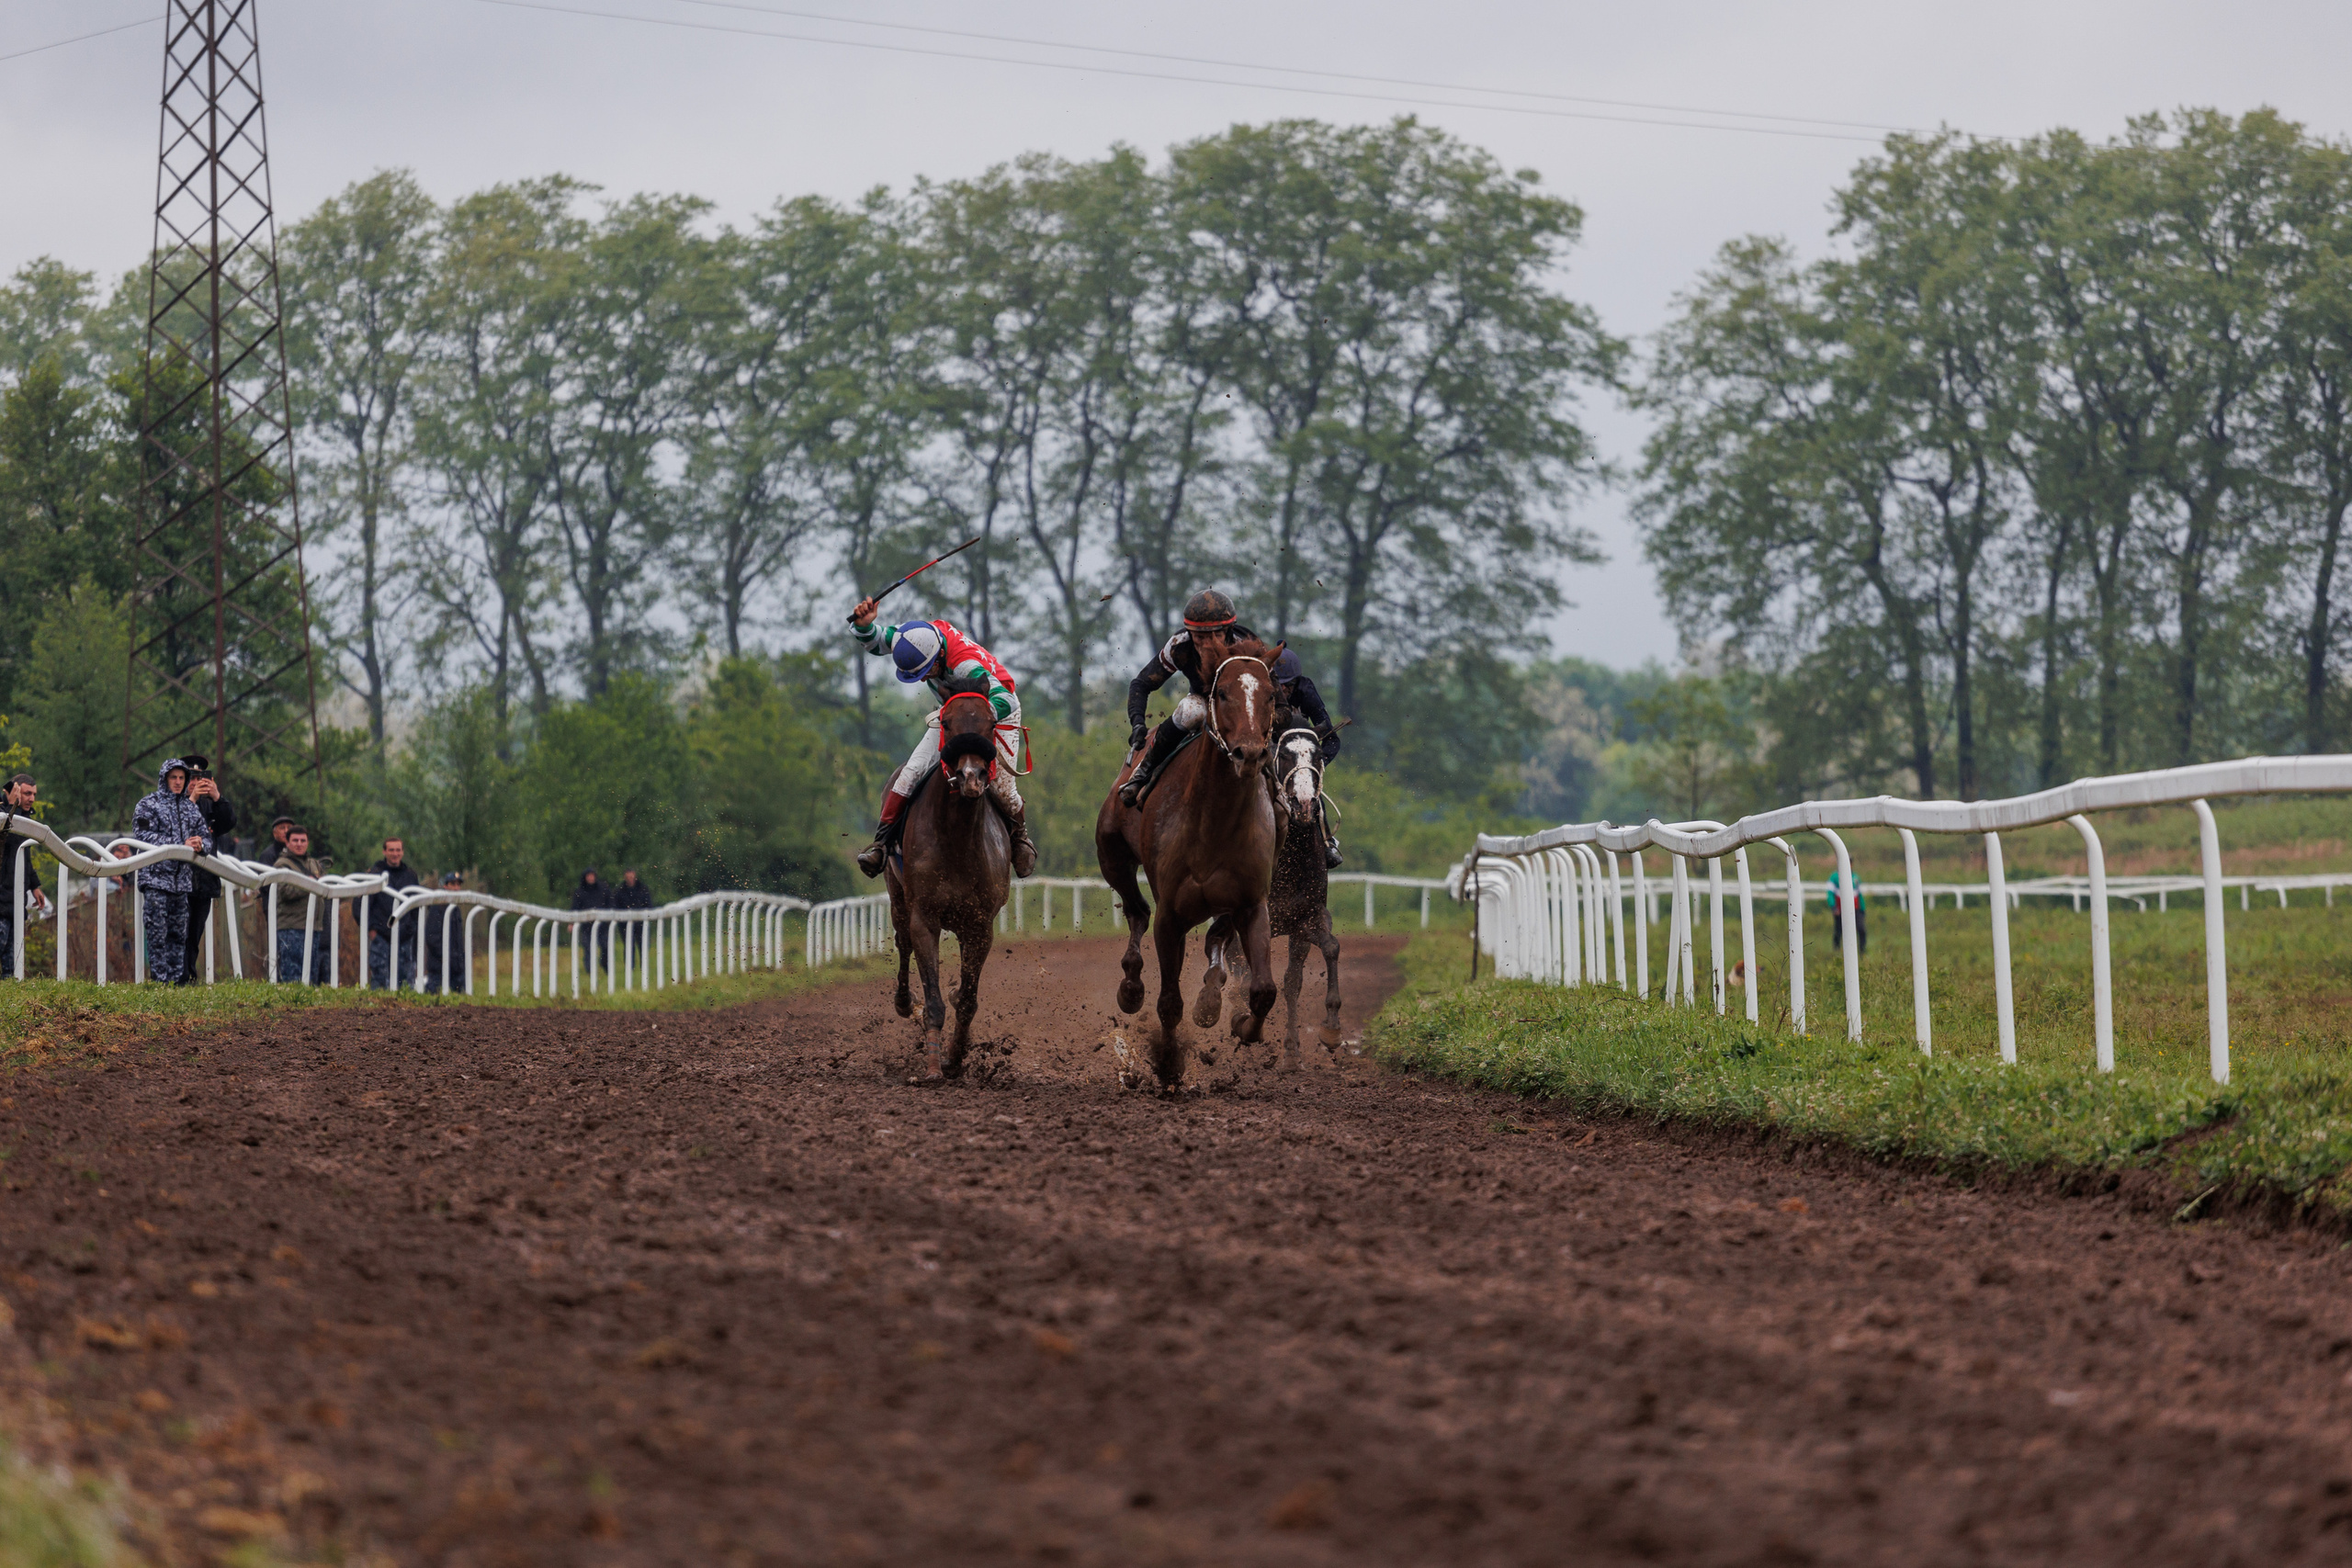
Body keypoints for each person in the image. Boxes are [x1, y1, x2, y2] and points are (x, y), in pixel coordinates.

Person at [1119, 589, 1345, 868]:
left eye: (1213, 635)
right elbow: (1141, 684)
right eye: (1198, 636)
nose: (1204, 643)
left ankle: (1316, 831)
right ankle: (1143, 771)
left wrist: (1255, 719)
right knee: (1191, 710)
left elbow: (1284, 711)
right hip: (1205, 703)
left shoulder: (1250, 646)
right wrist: (1138, 722)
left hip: (1243, 713)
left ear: (1228, 630)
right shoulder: (1179, 644)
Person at [850, 595, 1038, 880]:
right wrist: (864, 625)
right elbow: (876, 639)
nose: (927, 678)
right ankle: (881, 844)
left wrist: (977, 721)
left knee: (1001, 789)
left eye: (929, 672)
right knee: (910, 772)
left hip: (996, 713)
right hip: (952, 712)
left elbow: (1007, 699)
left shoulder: (965, 665)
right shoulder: (910, 637)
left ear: (939, 655)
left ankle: (1020, 839)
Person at [132, 758, 211, 985]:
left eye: (181, 778)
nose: (178, 782)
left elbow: (207, 837)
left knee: (179, 935)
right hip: (156, 880)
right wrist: (181, 843)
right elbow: (143, 835)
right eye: (173, 777)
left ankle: (177, 983)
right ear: (164, 779)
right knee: (158, 934)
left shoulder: (189, 808)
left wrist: (200, 845)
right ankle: (160, 983)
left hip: (181, 883)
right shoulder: (148, 804)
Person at [176, 756, 238, 985]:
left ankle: (189, 975)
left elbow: (228, 822)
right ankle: (177, 977)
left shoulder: (210, 803)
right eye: (190, 778)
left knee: (195, 932)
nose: (195, 782)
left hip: (203, 880)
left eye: (200, 777)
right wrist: (191, 798)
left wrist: (217, 797)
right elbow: (177, 823)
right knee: (178, 930)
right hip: (178, 878)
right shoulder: (174, 802)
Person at [0, 773, 54, 979]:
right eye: (27, 793)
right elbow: (7, 838)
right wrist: (10, 808)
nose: (32, 798)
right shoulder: (4, 814)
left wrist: (35, 886)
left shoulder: (25, 819)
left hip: (15, 902)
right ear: (14, 791)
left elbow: (23, 855)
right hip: (2, 900)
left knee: (12, 968)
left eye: (34, 794)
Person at [273, 825, 331, 983]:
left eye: (303, 840)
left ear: (308, 842)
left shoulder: (313, 864)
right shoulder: (282, 865)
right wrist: (309, 884)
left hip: (314, 927)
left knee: (310, 977)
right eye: (295, 840)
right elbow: (285, 892)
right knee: (293, 977)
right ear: (288, 843)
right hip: (291, 928)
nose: (299, 844)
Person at [364, 838, 421, 989]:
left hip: (405, 938)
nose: (395, 854)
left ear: (402, 852)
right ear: (384, 852)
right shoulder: (375, 874)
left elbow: (417, 906)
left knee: (405, 985)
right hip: (381, 937)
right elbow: (361, 905)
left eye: (398, 850)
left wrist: (411, 928)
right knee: (380, 983)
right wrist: (371, 930)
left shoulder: (411, 875)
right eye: (391, 850)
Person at [423, 871, 469, 994]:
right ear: (445, 886)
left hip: (456, 969)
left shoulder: (455, 909)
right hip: (439, 968)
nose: (456, 888)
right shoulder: (437, 908)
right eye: (453, 884)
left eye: (458, 885)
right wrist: (447, 957)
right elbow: (432, 938)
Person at [572, 867, 612, 976]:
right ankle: (590, 970)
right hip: (587, 927)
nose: (590, 878)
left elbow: (610, 904)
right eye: (588, 876)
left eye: (592, 875)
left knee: (605, 947)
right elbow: (575, 908)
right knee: (588, 948)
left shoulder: (604, 889)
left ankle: (605, 966)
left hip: (603, 925)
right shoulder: (580, 892)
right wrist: (571, 923)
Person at [614, 867, 654, 964]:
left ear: (634, 875)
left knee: (643, 944)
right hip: (625, 924)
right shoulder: (619, 891)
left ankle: (644, 965)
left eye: (631, 874)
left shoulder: (643, 889)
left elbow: (649, 905)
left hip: (641, 922)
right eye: (628, 874)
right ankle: (630, 966)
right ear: (625, 876)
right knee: (628, 945)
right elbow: (615, 906)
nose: (630, 877)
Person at [1825, 870, 1869, 955]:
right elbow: (1830, 894)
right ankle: (1837, 952)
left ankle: (1862, 952)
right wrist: (1833, 907)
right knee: (1839, 931)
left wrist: (1862, 908)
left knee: (1861, 929)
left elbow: (1859, 894)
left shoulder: (1855, 877)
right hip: (1840, 910)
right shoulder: (1834, 877)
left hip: (1856, 909)